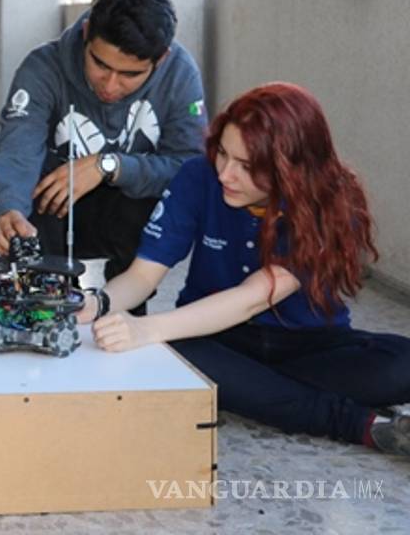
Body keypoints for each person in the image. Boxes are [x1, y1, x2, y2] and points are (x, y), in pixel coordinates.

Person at [79, 83, 410, 456]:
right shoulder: (195, 177)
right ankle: (363, 426)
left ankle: (254, 391)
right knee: (181, 354)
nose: (225, 174)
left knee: (401, 364)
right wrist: (95, 304)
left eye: (248, 166)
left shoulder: (331, 200)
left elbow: (254, 298)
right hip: (214, 337)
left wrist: (144, 328)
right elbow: (142, 276)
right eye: (223, 153)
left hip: (311, 345)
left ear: (292, 168)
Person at [0, 0, 206, 310]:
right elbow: (17, 151)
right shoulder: (42, 67)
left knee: (148, 199)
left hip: (129, 214)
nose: (110, 84)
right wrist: (9, 210)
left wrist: (110, 166)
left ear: (160, 59)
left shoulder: (180, 74)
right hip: (56, 213)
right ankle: (47, 297)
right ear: (87, 32)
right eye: (100, 64)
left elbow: (189, 166)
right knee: (39, 187)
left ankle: (125, 307)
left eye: (130, 74)